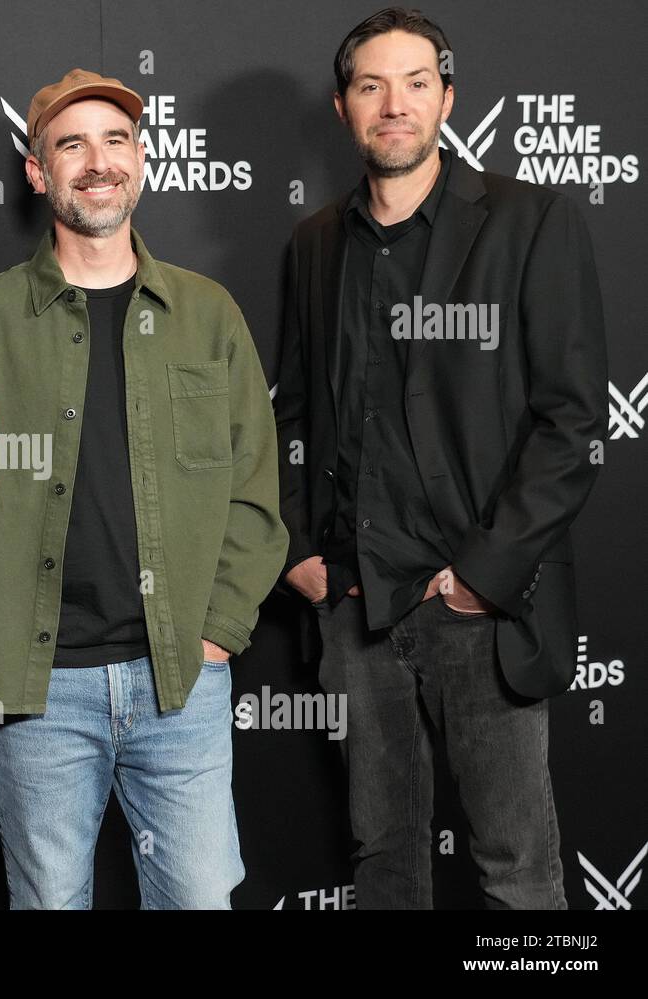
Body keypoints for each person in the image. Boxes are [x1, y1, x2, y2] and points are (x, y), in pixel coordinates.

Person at [276, 8, 607, 908]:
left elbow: (573, 422)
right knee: (383, 866)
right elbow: (295, 413)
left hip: (483, 610)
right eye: (372, 85)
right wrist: (304, 552)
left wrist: (481, 575)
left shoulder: (532, 222)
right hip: (357, 611)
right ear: (344, 106)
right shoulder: (313, 245)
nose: (395, 104)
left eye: (416, 83)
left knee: (519, 874)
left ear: (448, 98)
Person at [0, 69, 287, 908]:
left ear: (141, 160)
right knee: (50, 900)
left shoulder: (208, 314)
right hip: (36, 692)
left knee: (200, 897)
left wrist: (215, 633)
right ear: (37, 172)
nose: (96, 162)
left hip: (180, 681)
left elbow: (254, 488)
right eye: (71, 145)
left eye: (115, 141)